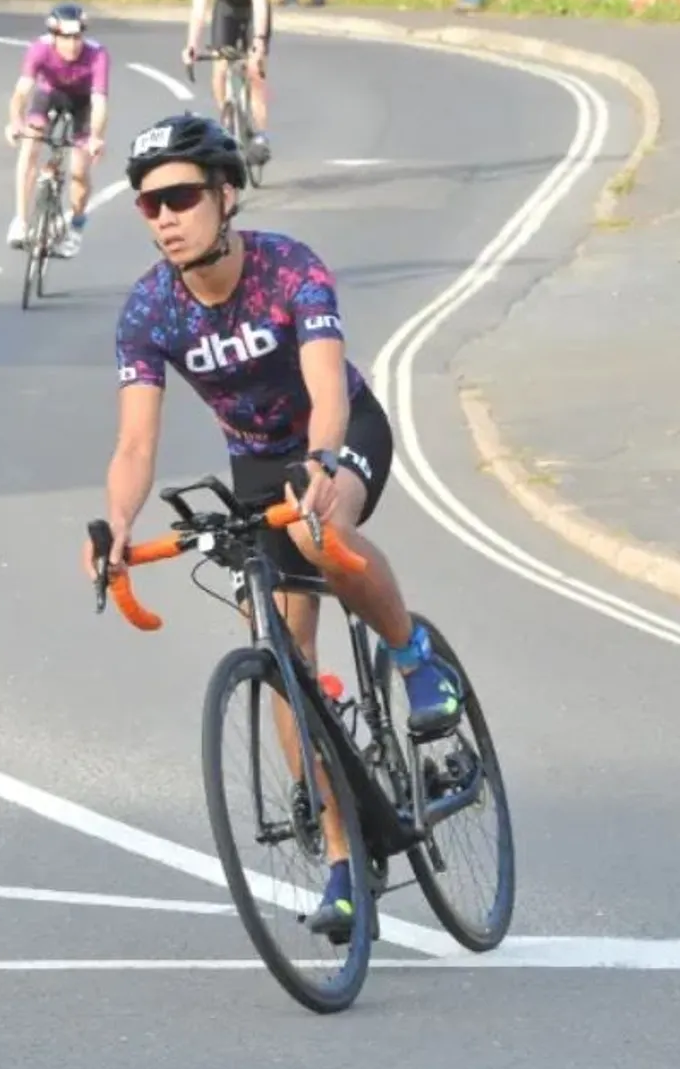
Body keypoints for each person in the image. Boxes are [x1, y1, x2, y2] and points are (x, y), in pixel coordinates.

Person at [85, 113, 464, 941]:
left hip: (342, 431)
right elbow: (135, 442)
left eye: (181, 197)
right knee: (285, 661)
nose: (165, 218)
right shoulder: (149, 310)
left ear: (225, 195)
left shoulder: (290, 268)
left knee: (318, 535)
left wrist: (325, 462)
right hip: (255, 466)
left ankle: (413, 657)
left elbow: (326, 386)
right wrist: (117, 524)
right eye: (148, 206)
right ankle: (340, 863)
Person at [4, 2, 109, 258]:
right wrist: (16, 121)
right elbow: (21, 91)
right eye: (65, 38)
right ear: (53, 36)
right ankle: (20, 221)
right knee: (30, 144)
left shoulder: (97, 55)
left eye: (77, 37)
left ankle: (75, 229)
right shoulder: (39, 49)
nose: (72, 45)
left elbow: (99, 103)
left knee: (79, 171)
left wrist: (95, 137)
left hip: (82, 103)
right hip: (50, 95)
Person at [181, 0, 272, 162]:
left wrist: (259, 41)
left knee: (254, 72)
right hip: (227, 13)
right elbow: (198, 12)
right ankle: (227, 119)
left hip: (253, 15)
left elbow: (260, 5)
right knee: (219, 69)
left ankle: (261, 136)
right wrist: (192, 45)